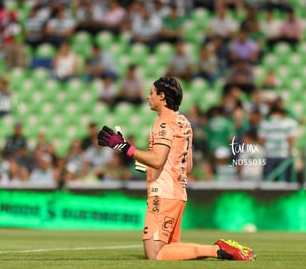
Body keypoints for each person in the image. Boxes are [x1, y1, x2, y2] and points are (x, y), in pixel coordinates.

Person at [97, 77, 255, 261]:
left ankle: (217, 249)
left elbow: (157, 160)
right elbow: (186, 165)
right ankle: (220, 249)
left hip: (163, 194)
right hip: (178, 193)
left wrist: (125, 147)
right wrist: (141, 160)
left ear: (162, 96)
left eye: (151, 93)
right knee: (171, 250)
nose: (148, 97)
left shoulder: (163, 123)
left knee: (155, 253)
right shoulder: (184, 122)